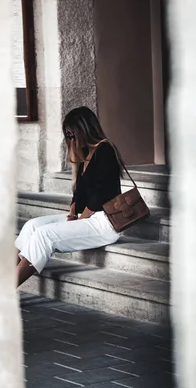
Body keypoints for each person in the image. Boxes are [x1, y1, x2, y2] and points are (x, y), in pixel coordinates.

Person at [15, 106, 124, 287]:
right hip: (87, 217)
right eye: (68, 135)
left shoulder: (105, 150)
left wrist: (80, 220)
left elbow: (99, 196)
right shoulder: (85, 155)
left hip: (105, 222)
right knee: (32, 225)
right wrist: (72, 215)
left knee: (44, 235)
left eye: (73, 134)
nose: (71, 139)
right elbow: (79, 194)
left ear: (85, 130)